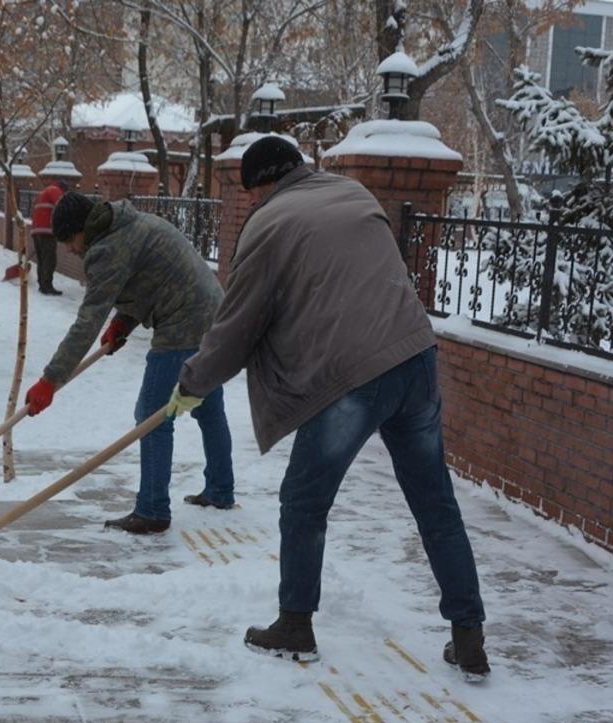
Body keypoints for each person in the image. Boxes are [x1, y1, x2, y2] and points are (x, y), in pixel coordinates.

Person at [167, 136, 489, 681]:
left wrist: (192, 383)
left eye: (253, 193)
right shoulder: (354, 191)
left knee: (303, 500)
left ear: (262, 185)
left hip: (352, 376)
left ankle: (295, 623)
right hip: (415, 355)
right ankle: (469, 636)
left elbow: (236, 326)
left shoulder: (268, 226)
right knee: (435, 504)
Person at [24, 191, 235, 534]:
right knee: (208, 406)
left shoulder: (106, 249)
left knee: (151, 415)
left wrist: (51, 379)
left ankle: (152, 509)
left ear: (82, 230)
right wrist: (124, 321)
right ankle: (220, 490)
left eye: (68, 240)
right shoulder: (129, 223)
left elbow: (87, 320)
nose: (70, 250)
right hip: (215, 315)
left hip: (184, 323)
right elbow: (149, 278)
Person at [30, 177, 68, 295]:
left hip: (36, 230)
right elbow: (63, 205)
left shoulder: (43, 192)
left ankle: (42, 283)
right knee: (49, 259)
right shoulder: (55, 190)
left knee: (42, 259)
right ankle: (47, 285)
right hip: (46, 231)